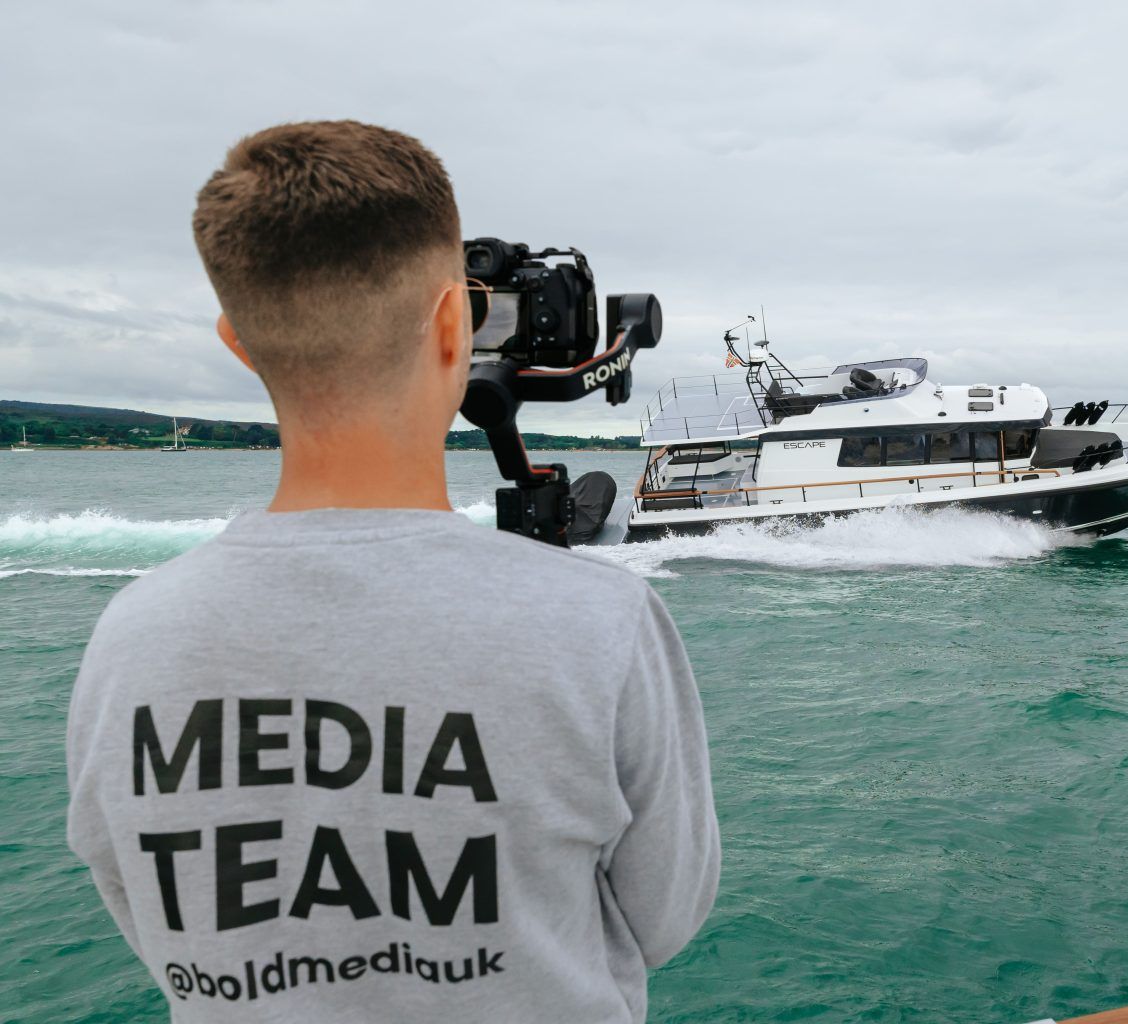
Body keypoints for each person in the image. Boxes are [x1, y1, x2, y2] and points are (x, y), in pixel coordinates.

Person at [66, 120, 719, 1023]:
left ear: (237, 341)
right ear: (456, 320)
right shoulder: (605, 620)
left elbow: (148, 918)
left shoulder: (129, 636)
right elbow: (664, 918)